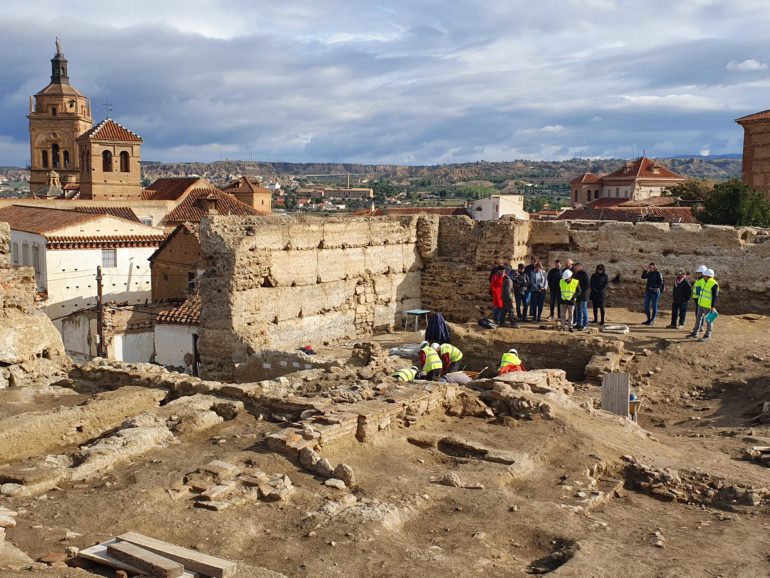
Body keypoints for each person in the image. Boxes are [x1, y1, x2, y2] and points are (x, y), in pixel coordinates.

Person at [689, 269, 719, 341]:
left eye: (704, 275)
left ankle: (707, 336)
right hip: (700, 304)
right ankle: (695, 333)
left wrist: (712, 306)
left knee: (709, 321)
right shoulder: (703, 281)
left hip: (708, 306)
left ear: (708, 276)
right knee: (698, 319)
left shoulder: (714, 284)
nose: (703, 276)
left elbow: (714, 296)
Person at [573, 262, 590, 330]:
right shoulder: (576, 275)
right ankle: (578, 324)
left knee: (584, 310)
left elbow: (587, 285)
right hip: (577, 295)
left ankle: (585, 324)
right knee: (578, 310)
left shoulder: (585, 274)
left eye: (576, 267)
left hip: (583, 295)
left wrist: (580, 291)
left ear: (580, 267)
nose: (575, 268)